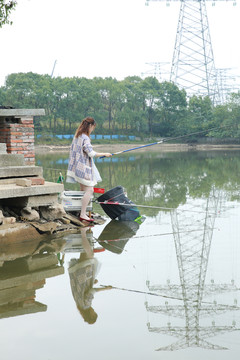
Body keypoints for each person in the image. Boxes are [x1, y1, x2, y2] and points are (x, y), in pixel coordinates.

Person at [66, 117, 112, 222]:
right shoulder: (85, 137)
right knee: (90, 190)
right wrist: (105, 154)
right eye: (93, 128)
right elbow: (91, 153)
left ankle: (82, 212)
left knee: (83, 190)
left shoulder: (77, 135)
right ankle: (82, 214)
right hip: (83, 168)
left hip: (76, 167)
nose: (92, 130)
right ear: (90, 126)